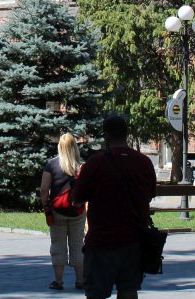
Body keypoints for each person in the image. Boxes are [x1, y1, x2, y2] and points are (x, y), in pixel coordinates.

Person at [71, 115, 156, 299]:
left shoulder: (95, 163)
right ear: (127, 134)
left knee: (96, 293)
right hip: (135, 241)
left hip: (103, 241)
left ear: (106, 135)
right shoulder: (144, 162)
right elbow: (150, 195)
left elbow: (77, 198)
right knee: (129, 291)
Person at [40, 132, 86, 290]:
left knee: (58, 245)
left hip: (57, 211)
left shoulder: (52, 164)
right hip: (77, 212)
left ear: (60, 146)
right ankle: (80, 280)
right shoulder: (81, 166)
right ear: (75, 147)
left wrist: (46, 206)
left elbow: (44, 189)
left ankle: (58, 281)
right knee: (78, 246)